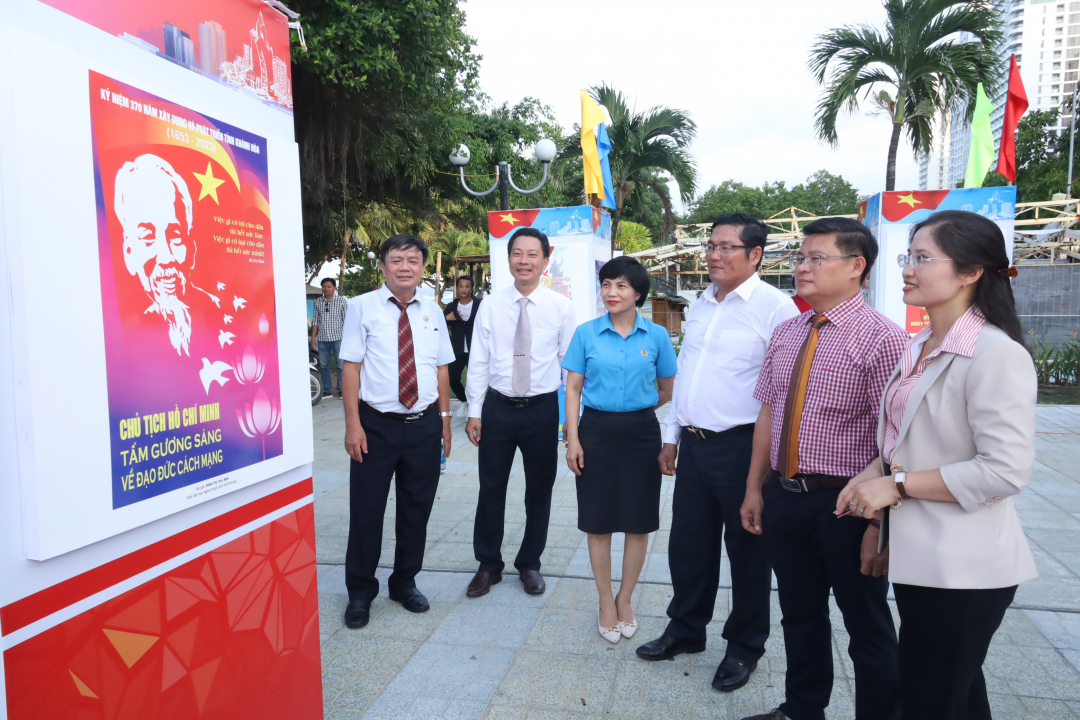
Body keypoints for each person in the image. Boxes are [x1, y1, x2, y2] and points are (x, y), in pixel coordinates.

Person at [836, 211, 1037, 720]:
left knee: (930, 698)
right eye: (909, 256)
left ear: (970, 272)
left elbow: (1004, 471)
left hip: (966, 568)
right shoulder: (920, 346)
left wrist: (896, 487)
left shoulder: (996, 354)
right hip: (922, 555)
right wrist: (875, 487)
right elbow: (904, 443)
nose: (908, 268)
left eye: (923, 258)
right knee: (956, 695)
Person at [739, 218, 907, 720]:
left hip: (848, 504)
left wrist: (879, 524)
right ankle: (803, 708)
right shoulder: (788, 331)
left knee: (867, 626)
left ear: (856, 267)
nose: (802, 268)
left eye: (817, 259)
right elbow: (768, 411)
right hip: (787, 497)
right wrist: (755, 488)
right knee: (799, 615)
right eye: (799, 258)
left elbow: (897, 439)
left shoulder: (884, 340)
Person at [635, 214, 800, 691]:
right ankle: (686, 630)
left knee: (748, 551)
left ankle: (745, 646)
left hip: (745, 447)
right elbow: (687, 374)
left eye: (727, 247)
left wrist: (766, 467)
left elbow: (783, 393)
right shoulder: (702, 302)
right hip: (695, 445)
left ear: (755, 255)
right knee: (688, 547)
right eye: (711, 245)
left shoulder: (776, 309)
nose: (714, 255)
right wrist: (672, 435)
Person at [338, 234, 456, 629]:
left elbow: (441, 369)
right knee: (367, 511)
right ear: (383, 266)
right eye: (396, 259)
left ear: (423, 266)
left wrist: (444, 421)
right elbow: (351, 368)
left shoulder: (434, 311)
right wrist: (352, 424)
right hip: (375, 426)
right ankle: (360, 591)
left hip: (423, 426)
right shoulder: (360, 307)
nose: (404, 266)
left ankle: (404, 582)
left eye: (412, 260)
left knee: (416, 510)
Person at [562, 255, 678, 643]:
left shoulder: (658, 336)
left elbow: (667, 390)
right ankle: (604, 602)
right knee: (598, 521)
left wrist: (637, 408)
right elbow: (574, 388)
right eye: (607, 284)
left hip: (642, 433)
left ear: (639, 294)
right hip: (594, 431)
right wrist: (573, 438)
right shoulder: (586, 333)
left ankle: (625, 598)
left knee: (637, 520)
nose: (611, 292)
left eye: (622, 286)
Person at [464, 227, 576, 598]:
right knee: (491, 488)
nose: (524, 261)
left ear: (546, 260)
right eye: (517, 253)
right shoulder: (491, 305)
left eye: (532, 254)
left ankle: (530, 563)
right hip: (497, 409)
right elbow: (478, 361)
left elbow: (568, 367)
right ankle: (488, 565)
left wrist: (569, 420)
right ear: (508, 258)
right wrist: (475, 411)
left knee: (539, 491)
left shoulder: (560, 307)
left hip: (542, 410)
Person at [113, 153, 221, 357]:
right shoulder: (126, 341)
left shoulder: (222, 317)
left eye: (175, 235)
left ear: (192, 250)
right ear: (129, 253)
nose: (166, 257)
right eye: (147, 236)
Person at [444, 275, 481, 404]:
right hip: (457, 351)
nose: (464, 289)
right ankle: (465, 402)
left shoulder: (480, 305)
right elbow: (439, 327)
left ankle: (476, 407)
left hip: (476, 350)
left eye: (467, 286)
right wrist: (447, 318)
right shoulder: (451, 306)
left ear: (471, 289)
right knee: (452, 379)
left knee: (476, 381)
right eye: (461, 286)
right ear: (457, 288)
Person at [311, 277, 348, 398]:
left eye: (328, 286)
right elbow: (315, 321)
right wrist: (313, 338)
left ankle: (342, 389)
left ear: (334, 288)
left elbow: (347, 320)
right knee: (324, 366)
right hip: (322, 339)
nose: (326, 288)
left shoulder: (341, 301)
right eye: (324, 286)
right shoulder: (318, 302)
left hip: (339, 338)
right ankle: (327, 391)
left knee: (341, 365)